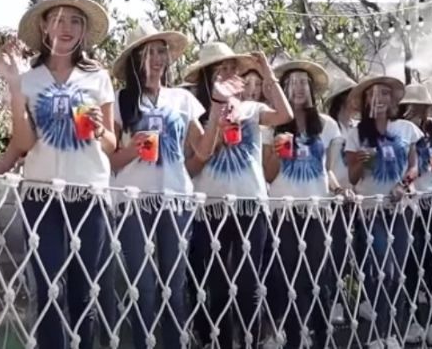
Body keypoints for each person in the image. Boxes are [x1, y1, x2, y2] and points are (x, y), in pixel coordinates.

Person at [0, 0, 114, 349]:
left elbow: (111, 144)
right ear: (44, 26)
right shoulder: (28, 79)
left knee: (83, 291)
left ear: (83, 32)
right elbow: (23, 143)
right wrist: (16, 91)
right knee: (47, 287)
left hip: (89, 192)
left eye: (75, 21)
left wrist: (99, 129)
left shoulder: (98, 78)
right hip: (40, 193)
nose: (66, 27)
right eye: (58, 19)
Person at [107, 23, 234, 348]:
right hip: (133, 202)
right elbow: (109, 160)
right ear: (136, 59)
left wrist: (219, 105)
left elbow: (203, 151)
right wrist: (132, 149)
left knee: (173, 287)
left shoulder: (181, 98)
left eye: (161, 51)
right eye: (148, 52)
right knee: (142, 288)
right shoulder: (121, 100)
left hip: (176, 200)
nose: (157, 58)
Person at [184, 43, 293, 349]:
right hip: (211, 206)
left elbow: (283, 114)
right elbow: (199, 156)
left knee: (249, 283)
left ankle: (250, 341)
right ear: (207, 76)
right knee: (214, 283)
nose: (229, 74)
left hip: (251, 202)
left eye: (233, 68)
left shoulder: (251, 108)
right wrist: (217, 117)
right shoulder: (197, 112)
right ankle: (212, 341)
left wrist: (267, 73)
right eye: (221, 69)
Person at [262, 61, 342, 349]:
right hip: (283, 211)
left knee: (318, 278)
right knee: (288, 279)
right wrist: (276, 153)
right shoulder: (271, 127)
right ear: (283, 90)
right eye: (292, 82)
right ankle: (294, 339)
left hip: (316, 210)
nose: (297, 87)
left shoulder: (328, 126)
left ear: (311, 89)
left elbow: (328, 171)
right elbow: (268, 175)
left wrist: (339, 189)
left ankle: (321, 337)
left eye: (303, 82)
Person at [345, 76, 420, 349]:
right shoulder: (356, 133)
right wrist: (360, 163)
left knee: (397, 272)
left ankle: (393, 334)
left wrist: (405, 184)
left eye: (386, 93)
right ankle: (379, 332)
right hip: (370, 209)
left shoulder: (407, 128)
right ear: (366, 101)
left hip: (400, 208)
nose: (380, 98)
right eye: (374, 93)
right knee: (381, 271)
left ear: (393, 100)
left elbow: (414, 166)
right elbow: (352, 179)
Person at [398, 83, 432, 345]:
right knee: (408, 262)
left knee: (431, 261)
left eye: (421, 105)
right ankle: (414, 321)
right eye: (412, 104)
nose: (416, 109)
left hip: (430, 198)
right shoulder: (400, 130)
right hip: (407, 201)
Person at [323, 76, 358, 325]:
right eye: (353, 94)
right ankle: (333, 301)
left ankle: (358, 300)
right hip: (333, 196)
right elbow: (329, 165)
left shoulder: (357, 127)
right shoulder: (330, 127)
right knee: (335, 251)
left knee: (354, 251)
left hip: (358, 196)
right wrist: (337, 189)